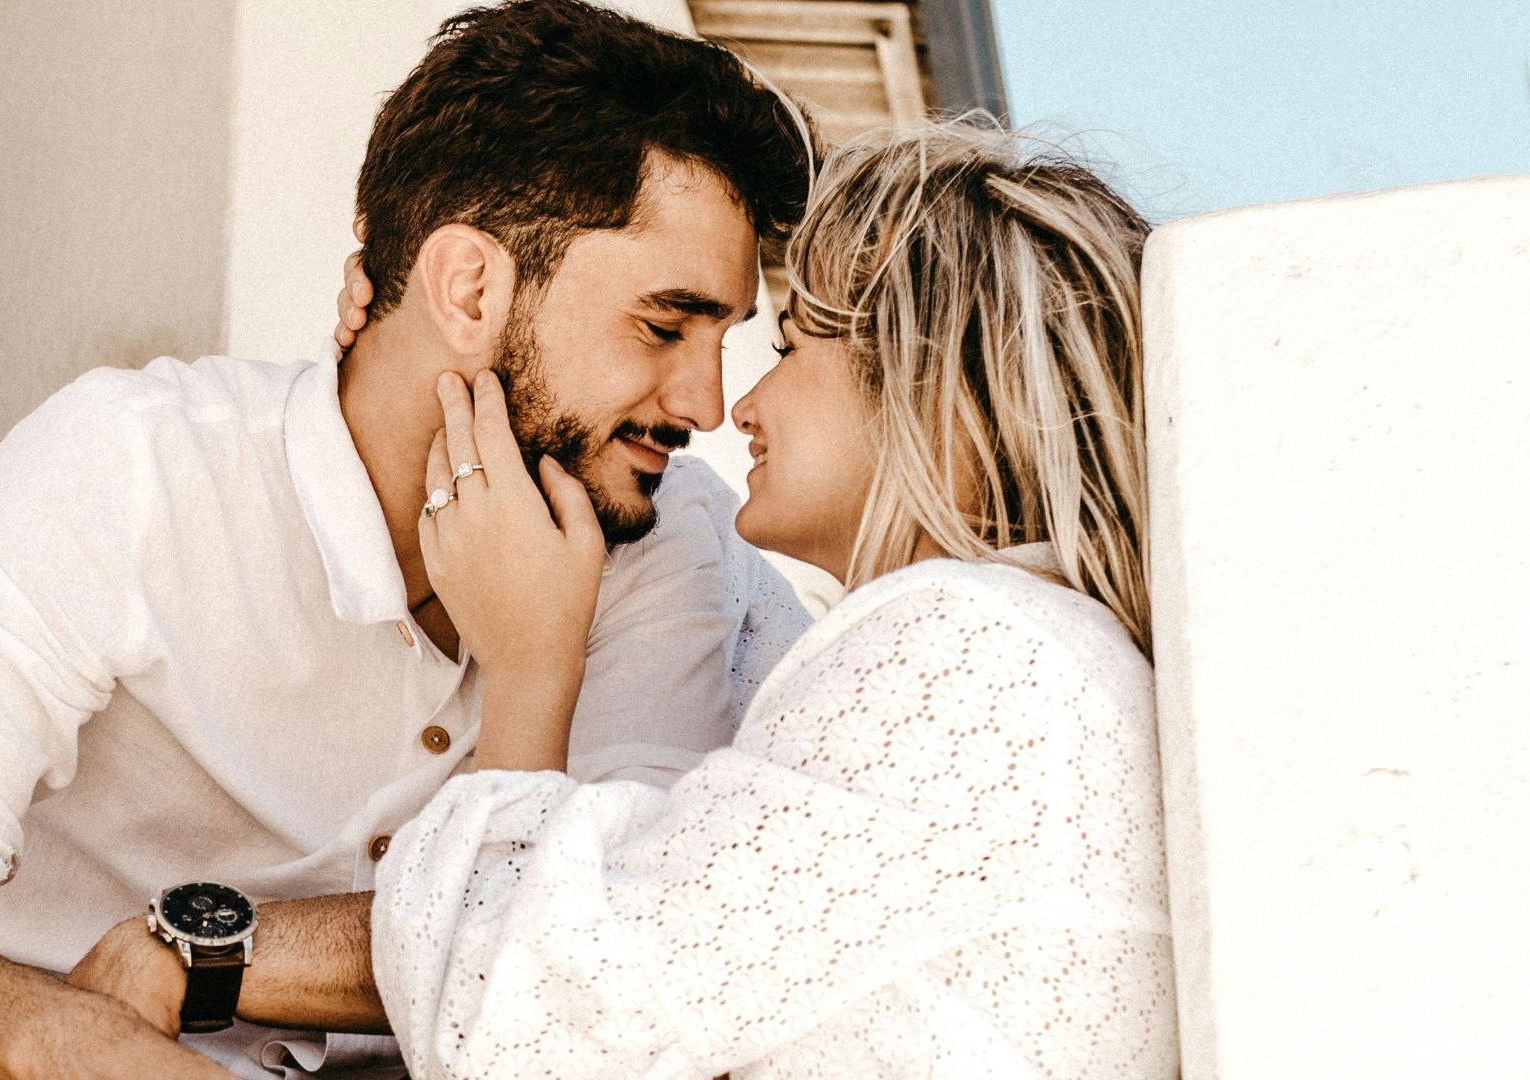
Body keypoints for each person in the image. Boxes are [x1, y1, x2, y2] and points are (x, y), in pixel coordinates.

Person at [0, 3, 811, 1078]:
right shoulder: (136, 466)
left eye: (724, 340)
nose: (706, 404)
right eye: (666, 327)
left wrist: (203, 947)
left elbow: (604, 945)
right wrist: (57, 1039)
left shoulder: (666, 544)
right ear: (472, 288)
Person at [73, 118, 1179, 1077]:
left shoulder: (964, 652)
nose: (731, 402)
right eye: (670, 331)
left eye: (794, 345)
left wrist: (528, 667)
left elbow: (530, 1027)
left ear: (942, 393)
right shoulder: (1028, 666)